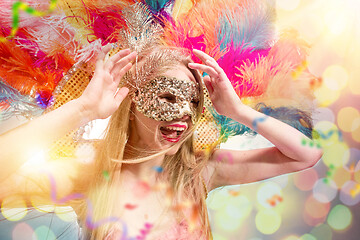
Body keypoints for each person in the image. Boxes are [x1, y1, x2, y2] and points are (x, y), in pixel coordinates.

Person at [0, 40, 322, 239]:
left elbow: (306, 154)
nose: (182, 113)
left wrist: (238, 111)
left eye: (193, 102)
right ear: (133, 101)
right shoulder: (92, 174)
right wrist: (83, 109)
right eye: (167, 97)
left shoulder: (200, 171)